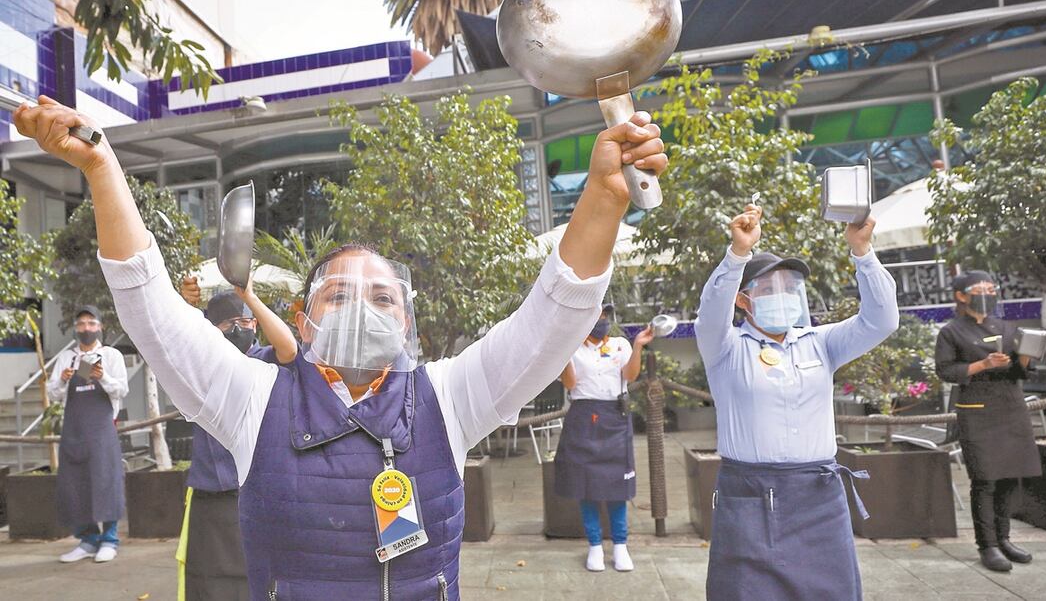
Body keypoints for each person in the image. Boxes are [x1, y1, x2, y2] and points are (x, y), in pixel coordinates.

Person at [15, 95, 666, 600]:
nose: (363, 309)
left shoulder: (448, 397)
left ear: (407, 321)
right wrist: (102, 166)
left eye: (383, 298)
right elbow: (151, 308)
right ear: (302, 321)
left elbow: (549, 319)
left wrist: (604, 200)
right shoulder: (252, 398)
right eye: (339, 296)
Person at [694, 203, 899, 601]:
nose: (783, 295)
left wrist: (863, 252)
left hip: (818, 495)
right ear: (743, 301)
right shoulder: (725, 348)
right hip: (749, 492)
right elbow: (710, 315)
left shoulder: (821, 343)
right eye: (769, 289)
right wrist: (737, 254)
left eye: (790, 287)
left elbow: (882, 320)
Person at [175, 281, 297, 600]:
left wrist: (251, 299)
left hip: (263, 489)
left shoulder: (264, 359)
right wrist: (187, 311)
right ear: (211, 329)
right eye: (230, 323)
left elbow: (290, 349)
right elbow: (179, 342)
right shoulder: (203, 363)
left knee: (265, 579)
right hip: (213, 494)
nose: (240, 329)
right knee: (211, 584)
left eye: (246, 322)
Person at [934, 271, 1040, 573]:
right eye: (981, 289)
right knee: (986, 480)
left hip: (1011, 409)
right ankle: (988, 545)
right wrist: (983, 364)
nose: (988, 293)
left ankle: (1004, 539)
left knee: (1010, 477)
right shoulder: (951, 332)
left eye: (992, 288)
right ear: (962, 296)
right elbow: (946, 371)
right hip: (978, 413)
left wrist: (1024, 359)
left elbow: (1020, 374)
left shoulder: (1007, 327)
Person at [554, 303, 653, 573]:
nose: (602, 321)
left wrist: (640, 345)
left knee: (617, 486)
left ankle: (621, 546)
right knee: (586, 486)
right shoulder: (572, 347)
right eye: (597, 316)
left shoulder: (621, 344)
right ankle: (595, 546)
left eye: (605, 316)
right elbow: (570, 384)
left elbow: (630, 376)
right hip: (583, 416)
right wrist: (562, 352)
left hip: (614, 416)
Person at [45, 305, 129, 564]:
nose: (86, 329)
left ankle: (110, 539)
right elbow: (52, 394)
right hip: (74, 431)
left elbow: (121, 391)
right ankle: (88, 540)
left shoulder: (111, 355)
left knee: (106, 482)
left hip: (102, 431)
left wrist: (102, 377)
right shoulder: (67, 357)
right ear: (75, 328)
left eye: (91, 323)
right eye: (81, 324)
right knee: (76, 484)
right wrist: (61, 379)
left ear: (100, 327)